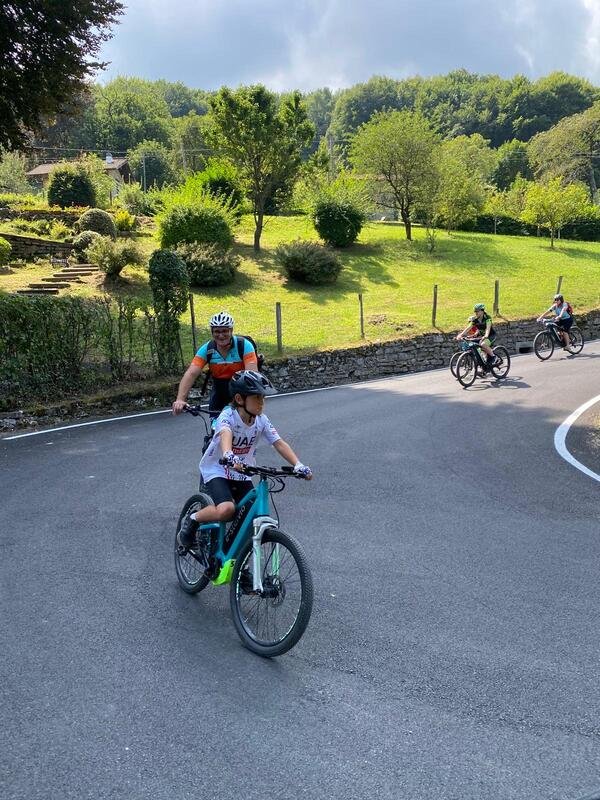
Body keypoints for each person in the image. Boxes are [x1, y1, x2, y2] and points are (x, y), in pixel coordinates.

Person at [177, 370, 313, 550]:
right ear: (240, 399)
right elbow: (225, 433)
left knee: (252, 516)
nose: (262, 403)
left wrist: (298, 465)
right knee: (227, 510)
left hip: (242, 472)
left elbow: (279, 442)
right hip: (218, 469)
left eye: (263, 398)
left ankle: (239, 562)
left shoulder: (261, 420)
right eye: (257, 398)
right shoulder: (228, 416)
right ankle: (193, 519)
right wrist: (228, 455)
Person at [172, 311, 258, 419]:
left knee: (246, 428)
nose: (221, 335)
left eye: (225, 331)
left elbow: (252, 374)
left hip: (241, 392)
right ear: (212, 332)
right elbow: (191, 373)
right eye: (217, 331)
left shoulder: (244, 345)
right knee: (215, 430)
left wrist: (251, 401)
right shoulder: (208, 349)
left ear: (231, 331)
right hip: (219, 394)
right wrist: (180, 399)